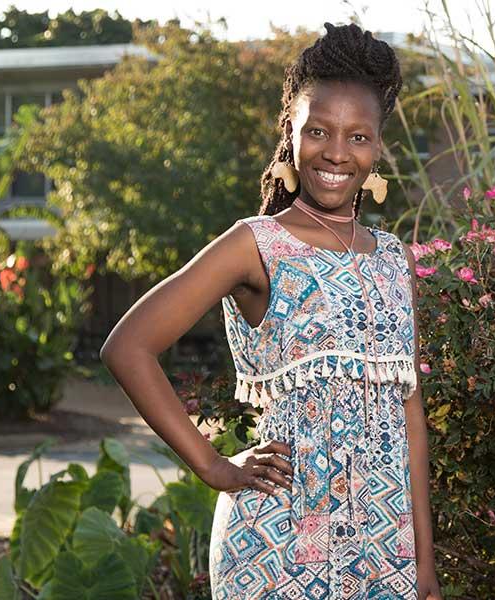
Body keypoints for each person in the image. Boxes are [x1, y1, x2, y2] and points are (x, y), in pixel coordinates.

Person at [100, 22, 442, 599]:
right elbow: (127, 347)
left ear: (380, 146)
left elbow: (408, 412)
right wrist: (214, 467)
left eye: (358, 137)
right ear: (291, 131)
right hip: (278, 543)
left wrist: (424, 562)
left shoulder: (393, 258)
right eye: (318, 131)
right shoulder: (255, 244)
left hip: (385, 548)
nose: (336, 152)